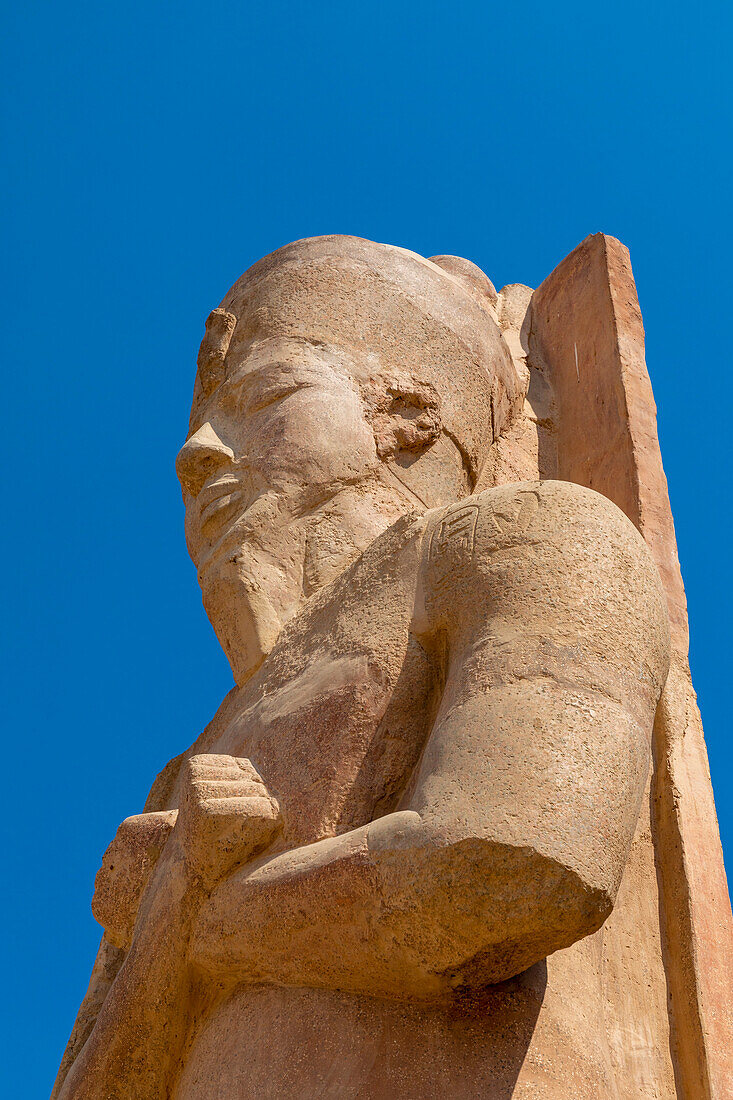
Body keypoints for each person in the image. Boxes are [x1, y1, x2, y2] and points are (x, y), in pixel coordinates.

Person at [54, 236, 670, 1099]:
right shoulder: (177, 778)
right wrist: (175, 910)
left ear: (406, 416)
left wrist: (191, 913)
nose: (197, 452)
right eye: (201, 425)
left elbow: (508, 863)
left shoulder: (529, 541)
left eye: (264, 397)